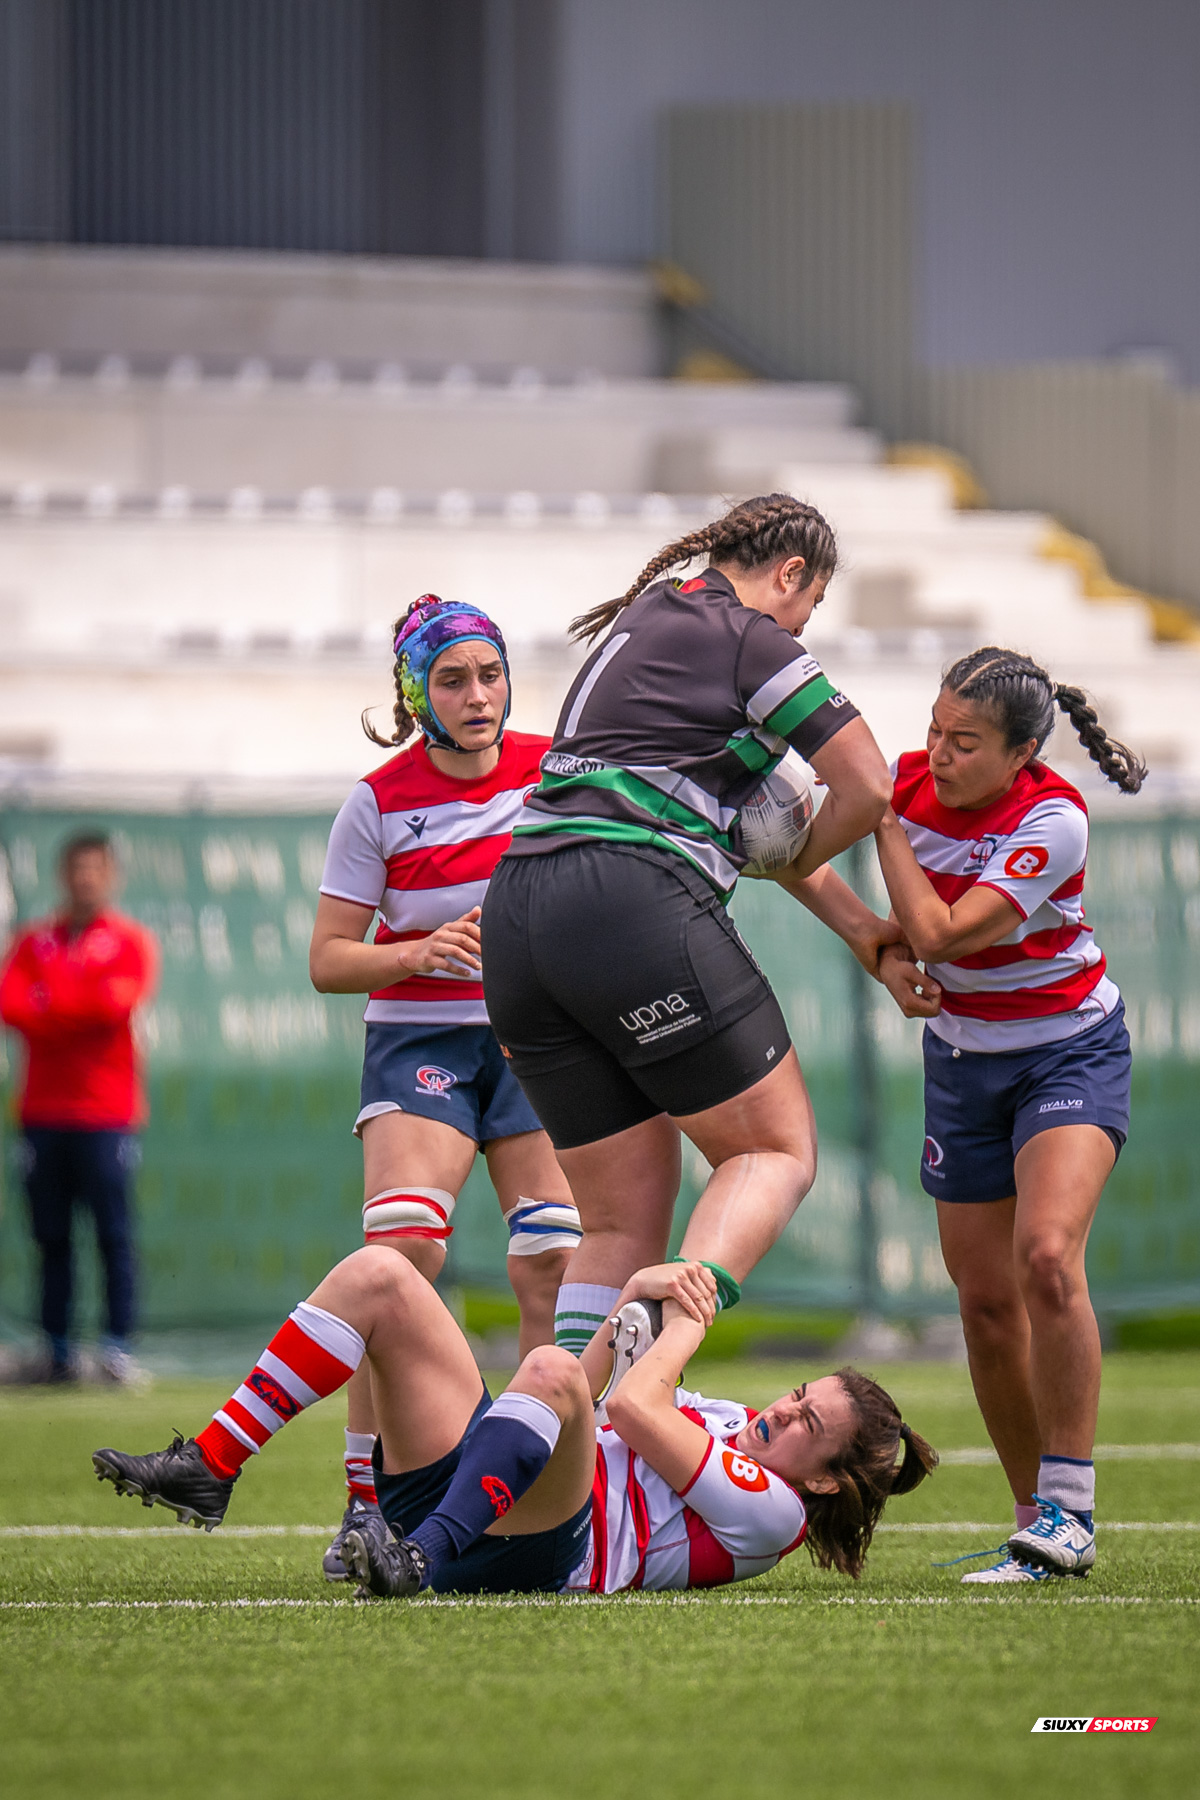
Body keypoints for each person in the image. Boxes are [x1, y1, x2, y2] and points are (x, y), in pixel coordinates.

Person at [481, 493, 896, 1356]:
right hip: (627, 901)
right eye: (808, 606)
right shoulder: (749, 639)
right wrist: (785, 847)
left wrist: (859, 927)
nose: (801, 627)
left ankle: (556, 1463)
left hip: (518, 918)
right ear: (790, 574)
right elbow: (869, 785)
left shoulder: (644, 622)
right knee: (775, 1151)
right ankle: (654, 1369)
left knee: (620, 1222)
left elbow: (703, 805)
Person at [91, 1252, 937, 1595]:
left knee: (547, 1367)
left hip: (549, 1548)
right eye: (797, 1393)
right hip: (501, 1492)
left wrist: (686, 1328)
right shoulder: (735, 1421)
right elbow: (605, 1401)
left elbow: (633, 1411)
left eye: (805, 1422)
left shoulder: (777, 1514)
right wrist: (638, 1290)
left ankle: (417, 1554)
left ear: (823, 1477)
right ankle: (217, 1463)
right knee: (383, 1272)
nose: (783, 1408)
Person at [308, 595, 582, 1580]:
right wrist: (420, 949)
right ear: (416, 690)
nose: (477, 695)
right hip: (421, 1038)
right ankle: (362, 1504)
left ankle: (545, 1495)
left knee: (551, 1260)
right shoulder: (379, 801)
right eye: (454, 678)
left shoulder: (560, 770)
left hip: (539, 1039)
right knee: (406, 1251)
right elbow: (329, 961)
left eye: (491, 673)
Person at [863, 648, 1143, 1583]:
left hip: (1069, 1053)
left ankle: (1073, 1510)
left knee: (1048, 1257)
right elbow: (797, 861)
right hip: (962, 1067)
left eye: (965, 742)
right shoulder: (903, 784)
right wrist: (871, 948)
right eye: (934, 731)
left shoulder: (1051, 820)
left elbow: (941, 933)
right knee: (984, 1304)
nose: (937, 754)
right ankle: (1036, 1528)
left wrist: (881, 826)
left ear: (1021, 753)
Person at [0, 831, 158, 1385]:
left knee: (113, 1234)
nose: (85, 880)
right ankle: (57, 1349)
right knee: (50, 1236)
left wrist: (51, 1002)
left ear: (110, 876)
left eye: (95, 870)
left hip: (106, 1113)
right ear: (62, 875)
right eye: (76, 869)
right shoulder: (31, 942)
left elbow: (111, 1006)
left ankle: (117, 1349)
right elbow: (11, 1005)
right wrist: (69, 1003)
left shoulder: (129, 942)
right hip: (42, 1112)